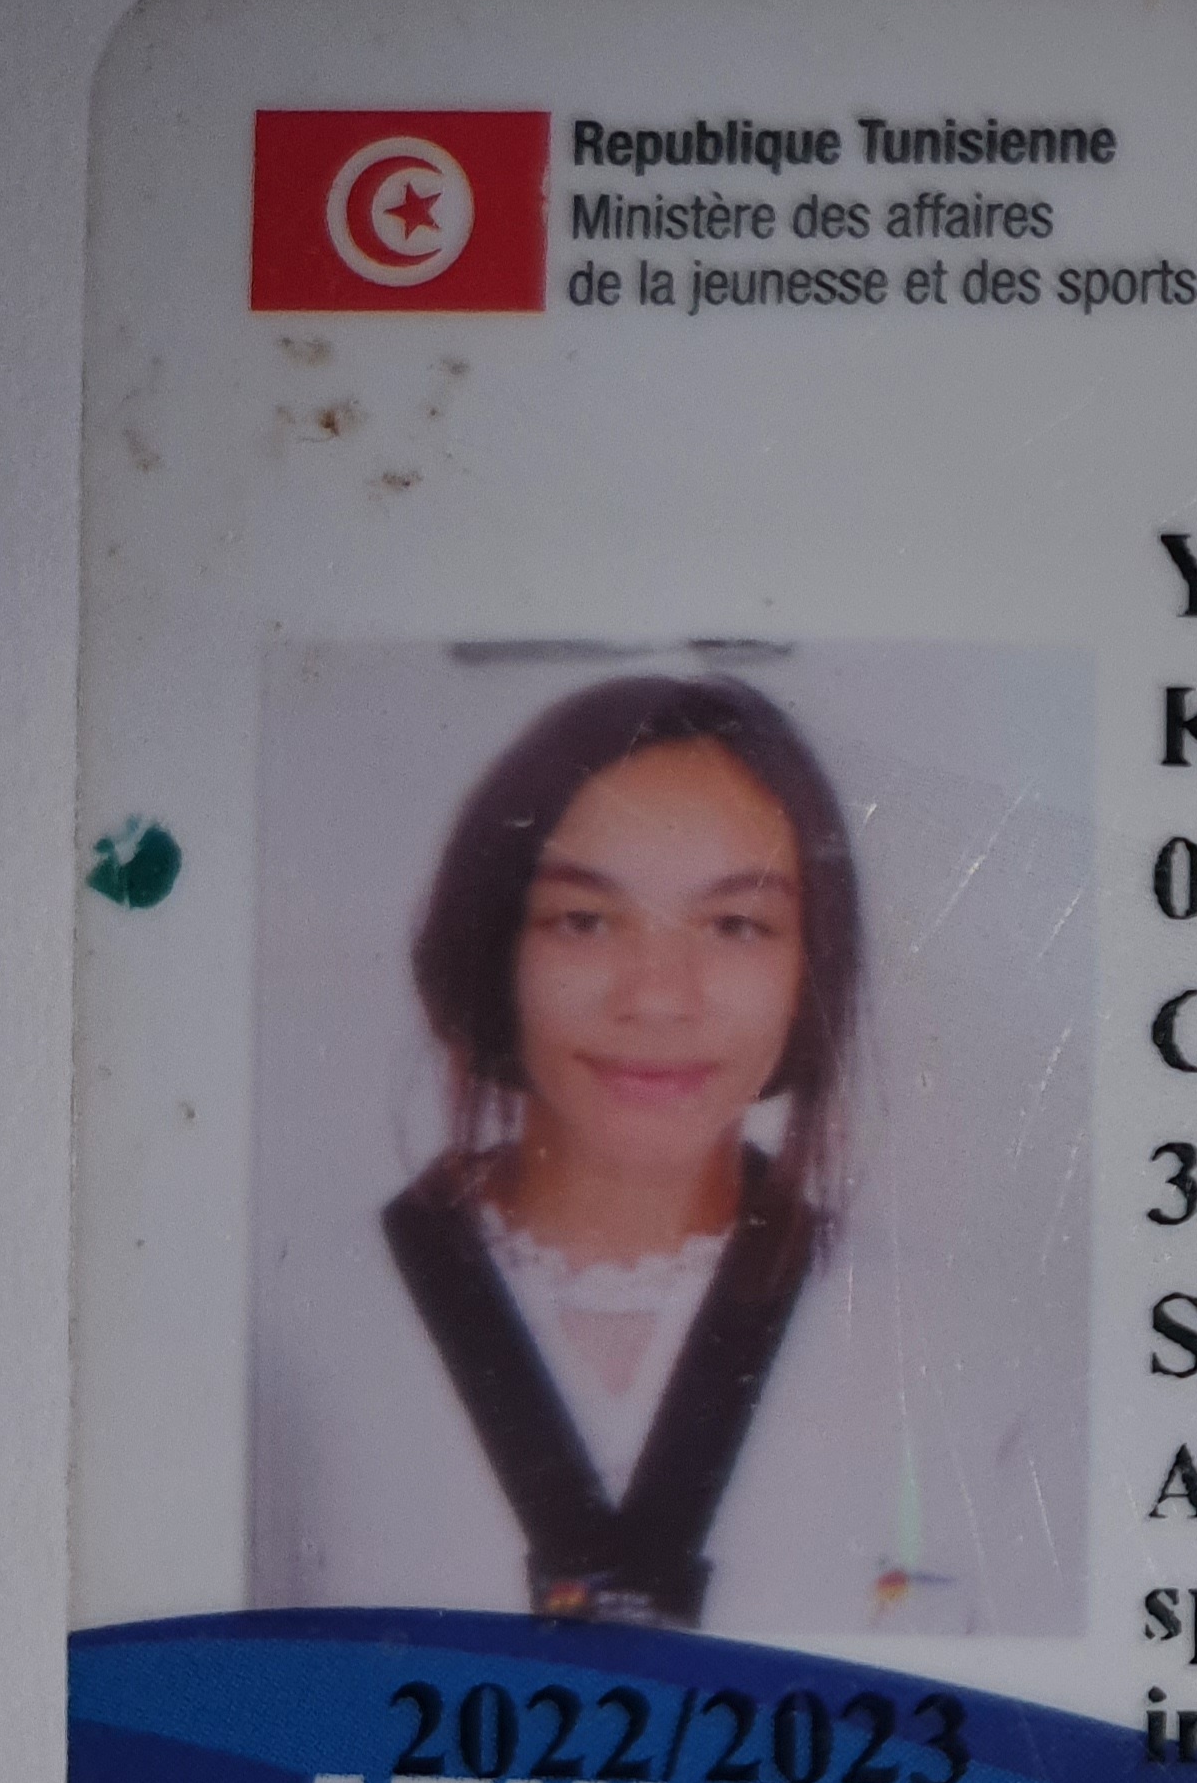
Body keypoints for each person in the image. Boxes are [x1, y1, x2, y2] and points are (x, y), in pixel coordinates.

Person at [250, 673, 1075, 1632]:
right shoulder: (292, 1331)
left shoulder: (959, 1355)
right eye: (585, 920)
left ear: (810, 966)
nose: (657, 995)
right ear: (495, 949)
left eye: (735, 925)